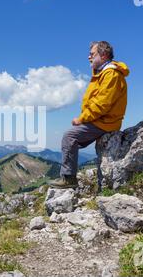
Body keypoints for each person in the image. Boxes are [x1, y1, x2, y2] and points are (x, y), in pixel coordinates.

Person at [49, 41, 130, 188]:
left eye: (92, 54)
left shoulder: (111, 74)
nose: (88, 57)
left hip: (104, 122)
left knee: (69, 136)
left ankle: (69, 178)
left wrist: (81, 119)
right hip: (101, 120)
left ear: (104, 55)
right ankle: (69, 173)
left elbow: (102, 104)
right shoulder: (103, 73)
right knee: (71, 139)